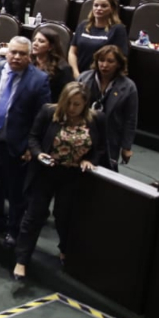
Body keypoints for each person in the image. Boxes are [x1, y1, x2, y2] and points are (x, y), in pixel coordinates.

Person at [13, 82, 104, 282]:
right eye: (69, 103)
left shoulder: (95, 119)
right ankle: (22, 260)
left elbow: (100, 148)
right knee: (34, 215)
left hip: (72, 176)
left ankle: (64, 250)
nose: (72, 108)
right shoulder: (49, 112)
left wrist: (90, 160)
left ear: (85, 104)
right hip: (46, 172)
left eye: (77, 104)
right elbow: (33, 138)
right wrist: (39, 155)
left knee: (64, 216)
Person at [0, 36, 51, 247]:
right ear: (6, 53)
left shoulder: (39, 79)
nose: (16, 57)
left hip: (15, 143)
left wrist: (31, 146)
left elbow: (42, 118)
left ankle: (13, 229)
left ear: (30, 56)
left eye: (22, 54)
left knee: (14, 190)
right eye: (13, 52)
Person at [77, 45, 138, 170]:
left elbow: (130, 119)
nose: (104, 65)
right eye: (101, 60)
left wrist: (126, 147)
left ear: (119, 64)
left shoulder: (128, 87)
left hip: (110, 136)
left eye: (110, 61)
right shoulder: (84, 78)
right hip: (83, 132)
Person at [68, 0, 128, 78]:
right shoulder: (83, 25)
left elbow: (120, 57)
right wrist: (76, 74)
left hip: (102, 77)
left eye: (104, 6)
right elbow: (72, 52)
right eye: (96, 5)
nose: (99, 8)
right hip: (78, 74)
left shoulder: (118, 29)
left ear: (112, 9)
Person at [31, 26, 74, 103]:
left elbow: (66, 95)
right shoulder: (29, 62)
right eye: (34, 40)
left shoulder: (62, 68)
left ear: (50, 47)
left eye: (41, 41)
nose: (35, 44)